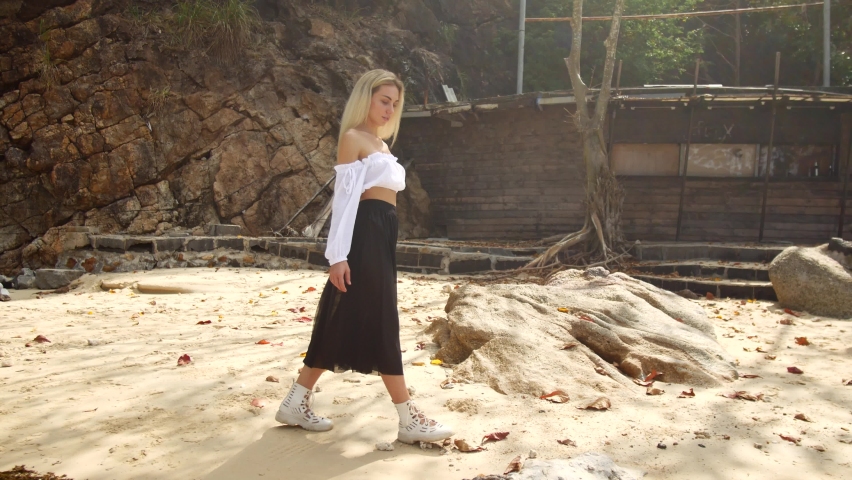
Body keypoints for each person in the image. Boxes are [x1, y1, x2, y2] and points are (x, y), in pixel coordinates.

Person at [275, 69, 453, 444]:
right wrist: (337, 256)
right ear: (366, 98)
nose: (389, 109)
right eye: (383, 100)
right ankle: (408, 418)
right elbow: (344, 202)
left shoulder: (382, 145)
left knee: (344, 316)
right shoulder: (354, 139)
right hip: (365, 234)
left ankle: (295, 401)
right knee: (382, 319)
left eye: (395, 103)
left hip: (383, 233)